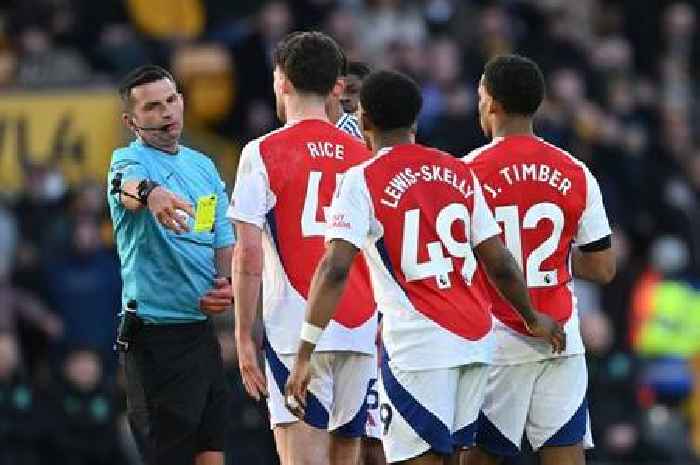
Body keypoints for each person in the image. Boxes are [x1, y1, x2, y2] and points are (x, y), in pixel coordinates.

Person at [284, 69, 565, 465]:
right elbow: (499, 260)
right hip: (475, 341)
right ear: (416, 120)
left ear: (363, 120)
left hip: (419, 345)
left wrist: (303, 353)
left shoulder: (361, 178)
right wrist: (532, 316)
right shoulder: (458, 171)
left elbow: (334, 268)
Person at [229, 31, 377, 465]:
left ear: (282, 81)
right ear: (336, 86)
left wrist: (242, 336)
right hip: (359, 327)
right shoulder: (363, 156)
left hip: (295, 328)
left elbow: (248, 254)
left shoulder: (262, 152)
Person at [462, 55, 616, 465]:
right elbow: (603, 267)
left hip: (496, 335)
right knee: (564, 454)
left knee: (478, 456)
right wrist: (554, 262)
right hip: (560, 334)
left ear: (491, 103)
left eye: (480, 97)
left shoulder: (466, 173)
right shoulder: (576, 171)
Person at [107, 65, 235, 465]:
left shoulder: (203, 166)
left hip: (201, 332)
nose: (166, 112)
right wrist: (152, 193)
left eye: (171, 99)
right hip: (155, 339)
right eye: (151, 107)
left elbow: (220, 236)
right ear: (132, 121)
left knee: (211, 453)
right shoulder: (128, 160)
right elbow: (124, 187)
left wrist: (226, 282)